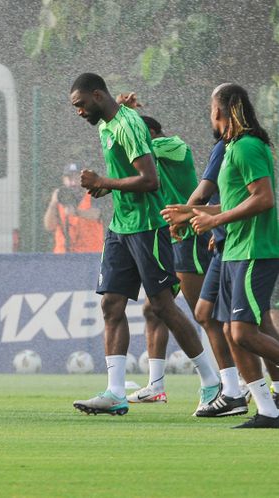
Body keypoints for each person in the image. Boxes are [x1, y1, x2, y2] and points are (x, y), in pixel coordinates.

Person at [68, 73, 220, 416]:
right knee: (111, 304)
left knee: (163, 307)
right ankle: (115, 392)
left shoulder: (128, 126)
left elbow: (150, 180)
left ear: (97, 95)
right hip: (120, 226)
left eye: (81, 104)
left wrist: (104, 180)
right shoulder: (107, 123)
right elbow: (125, 173)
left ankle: (212, 382)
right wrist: (106, 187)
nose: (78, 111)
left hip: (148, 227)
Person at [163, 84, 279, 428]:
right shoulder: (230, 148)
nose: (209, 116)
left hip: (254, 252)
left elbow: (264, 198)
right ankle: (268, 411)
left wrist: (214, 221)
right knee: (230, 331)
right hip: (233, 252)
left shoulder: (247, 147)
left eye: (211, 110)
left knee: (243, 333)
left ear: (219, 111)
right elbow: (232, 203)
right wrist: (190, 213)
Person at [125, 114, 214, 405]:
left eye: (139, 134)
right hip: (169, 239)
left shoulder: (173, 145)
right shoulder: (148, 155)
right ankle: (156, 385)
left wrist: (125, 120)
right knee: (154, 309)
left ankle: (233, 382)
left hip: (189, 236)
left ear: (151, 132)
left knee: (206, 314)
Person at [43, 162, 104, 253]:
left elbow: (96, 214)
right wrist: (53, 203)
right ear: (64, 180)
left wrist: (76, 212)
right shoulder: (60, 197)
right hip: (62, 256)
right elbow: (49, 226)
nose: (73, 182)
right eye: (69, 178)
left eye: (77, 178)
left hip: (89, 255)